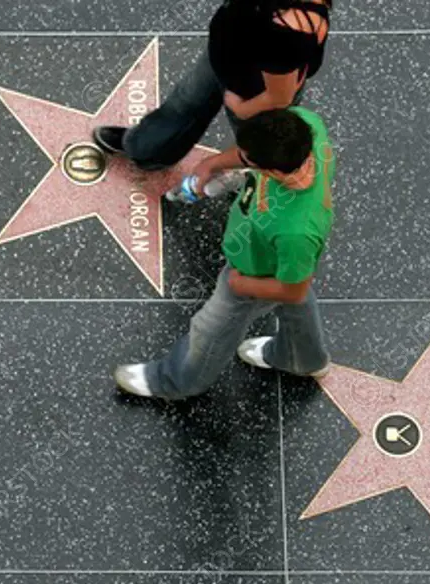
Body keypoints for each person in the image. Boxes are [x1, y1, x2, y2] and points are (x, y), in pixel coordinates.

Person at [113, 106, 334, 400]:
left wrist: (242, 285)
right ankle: (303, 358)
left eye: (246, 159)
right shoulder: (305, 126)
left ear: (272, 171)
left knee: (210, 329)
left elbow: (293, 290)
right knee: (296, 288)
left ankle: (175, 382)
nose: (239, 157)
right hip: (269, 252)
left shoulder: (296, 230)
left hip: (254, 272)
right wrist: (214, 163)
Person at [94, 0, 331, 170]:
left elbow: (279, 97)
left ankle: (252, 180)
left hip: (254, 94)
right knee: (182, 104)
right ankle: (146, 149)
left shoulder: (292, 29)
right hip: (223, 57)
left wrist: (241, 108)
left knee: (257, 144)